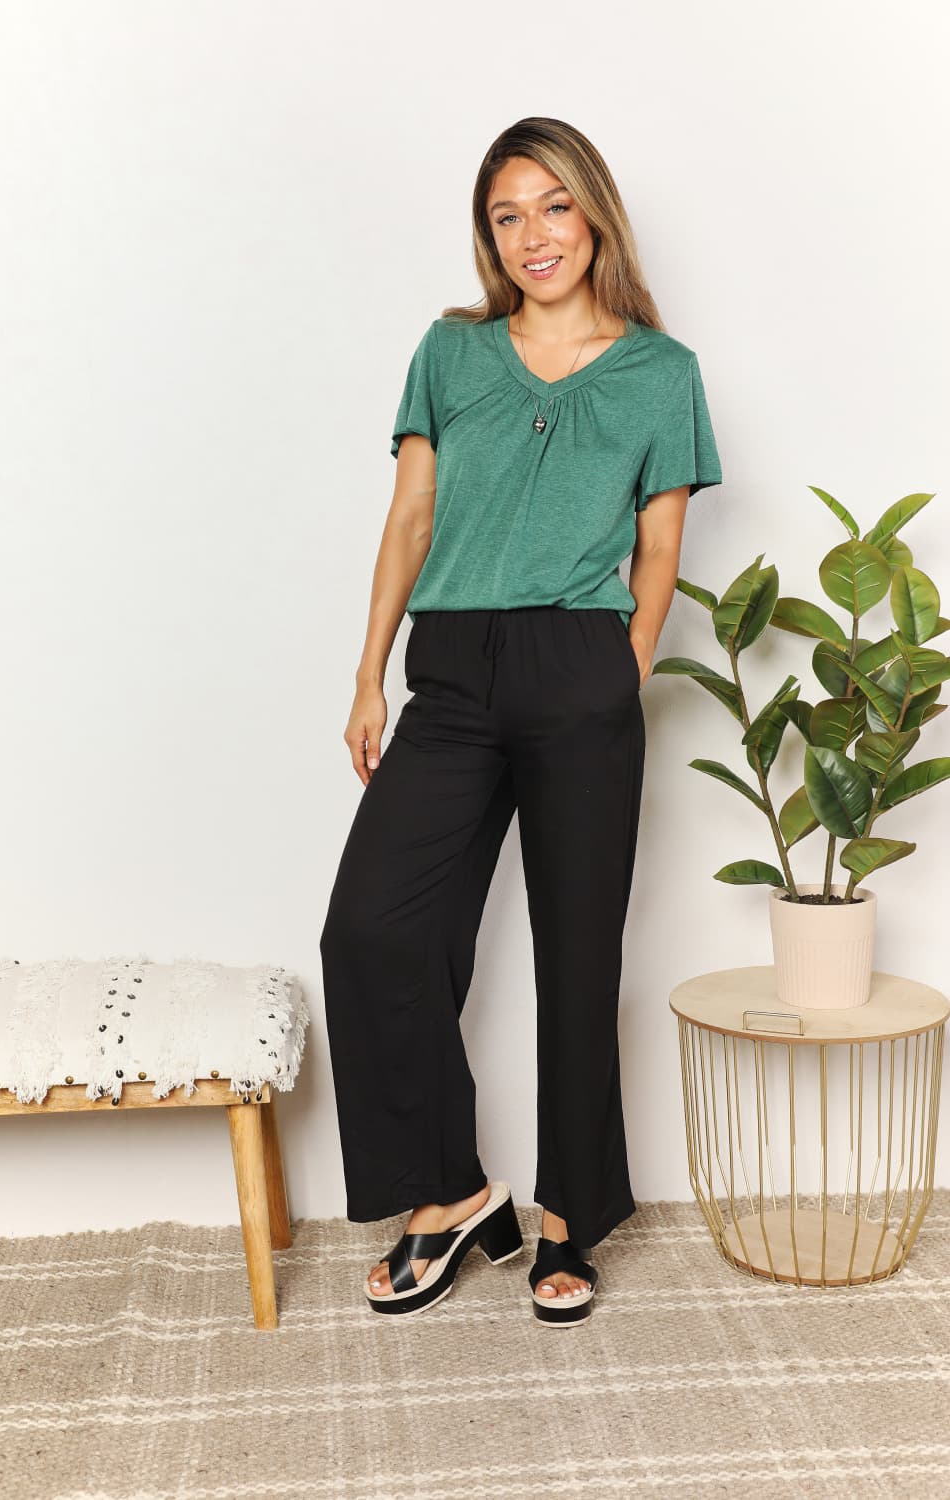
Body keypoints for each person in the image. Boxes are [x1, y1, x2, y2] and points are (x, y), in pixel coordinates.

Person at [318, 116, 722, 1326]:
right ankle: (446, 1198)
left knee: (575, 955)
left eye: (552, 206)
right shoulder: (450, 354)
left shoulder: (661, 371)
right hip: (450, 668)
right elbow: (407, 520)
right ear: (488, 237)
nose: (532, 235)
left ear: (592, 211)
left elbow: (660, 549)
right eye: (506, 215)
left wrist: (621, 667)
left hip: (577, 666)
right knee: (371, 931)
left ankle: (567, 1217)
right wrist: (366, 673)